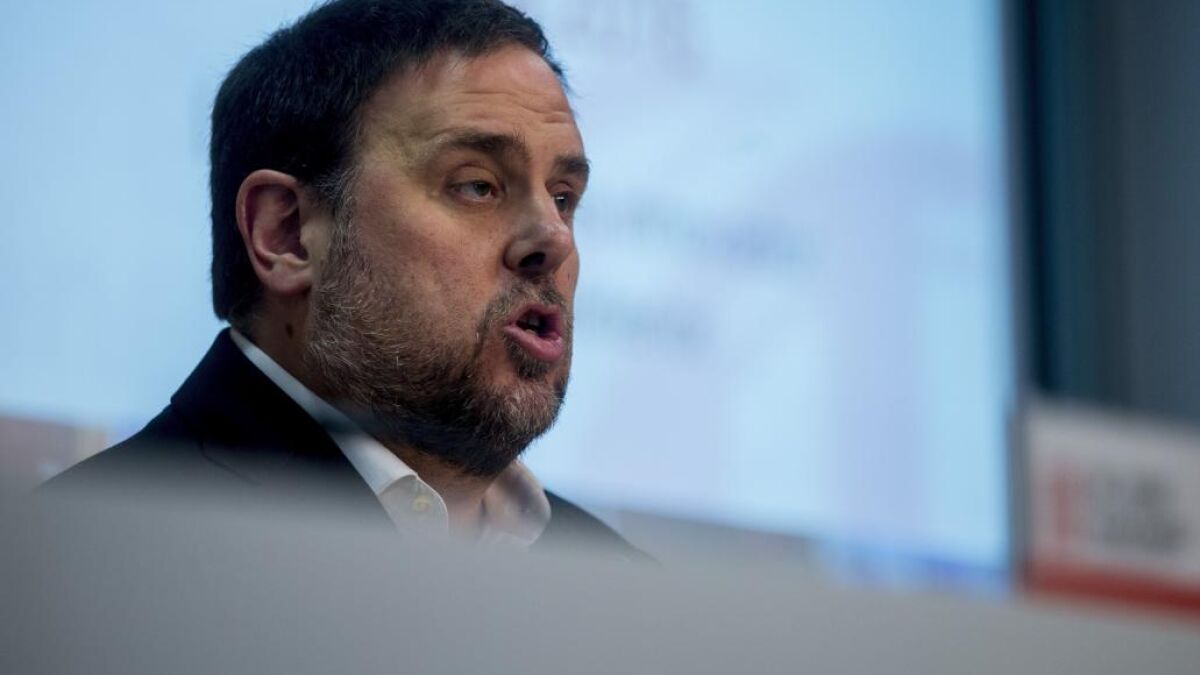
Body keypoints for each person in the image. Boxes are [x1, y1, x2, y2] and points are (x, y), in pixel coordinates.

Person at [45, 0, 644, 561]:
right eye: (477, 185)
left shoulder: (615, 578)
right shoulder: (89, 551)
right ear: (286, 234)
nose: (555, 239)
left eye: (563, 198)